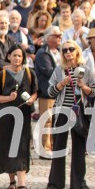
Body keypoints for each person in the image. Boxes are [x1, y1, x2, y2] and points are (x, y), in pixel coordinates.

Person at [46, 41, 95, 189]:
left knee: (79, 147)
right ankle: (55, 182)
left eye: (71, 49)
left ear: (77, 52)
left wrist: (83, 86)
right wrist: (62, 84)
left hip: (78, 111)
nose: (68, 52)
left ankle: (79, 182)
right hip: (62, 110)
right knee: (59, 146)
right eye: (65, 50)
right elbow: (50, 92)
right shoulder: (59, 70)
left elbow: (93, 92)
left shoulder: (85, 70)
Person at [0, 45, 38, 189]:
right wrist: (8, 98)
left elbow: (35, 92)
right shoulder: (1, 74)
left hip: (23, 115)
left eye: (20, 56)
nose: (17, 58)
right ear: (9, 56)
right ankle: (12, 180)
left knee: (22, 146)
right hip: (6, 115)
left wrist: (31, 100)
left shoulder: (30, 73)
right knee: (7, 146)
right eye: (14, 55)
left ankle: (22, 184)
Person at [35, 26, 62, 155]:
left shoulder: (60, 51)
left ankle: (51, 146)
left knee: (55, 120)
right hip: (47, 91)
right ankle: (44, 148)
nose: (59, 38)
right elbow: (48, 71)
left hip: (59, 91)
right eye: (56, 35)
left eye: (60, 35)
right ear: (48, 37)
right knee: (46, 120)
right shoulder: (42, 53)